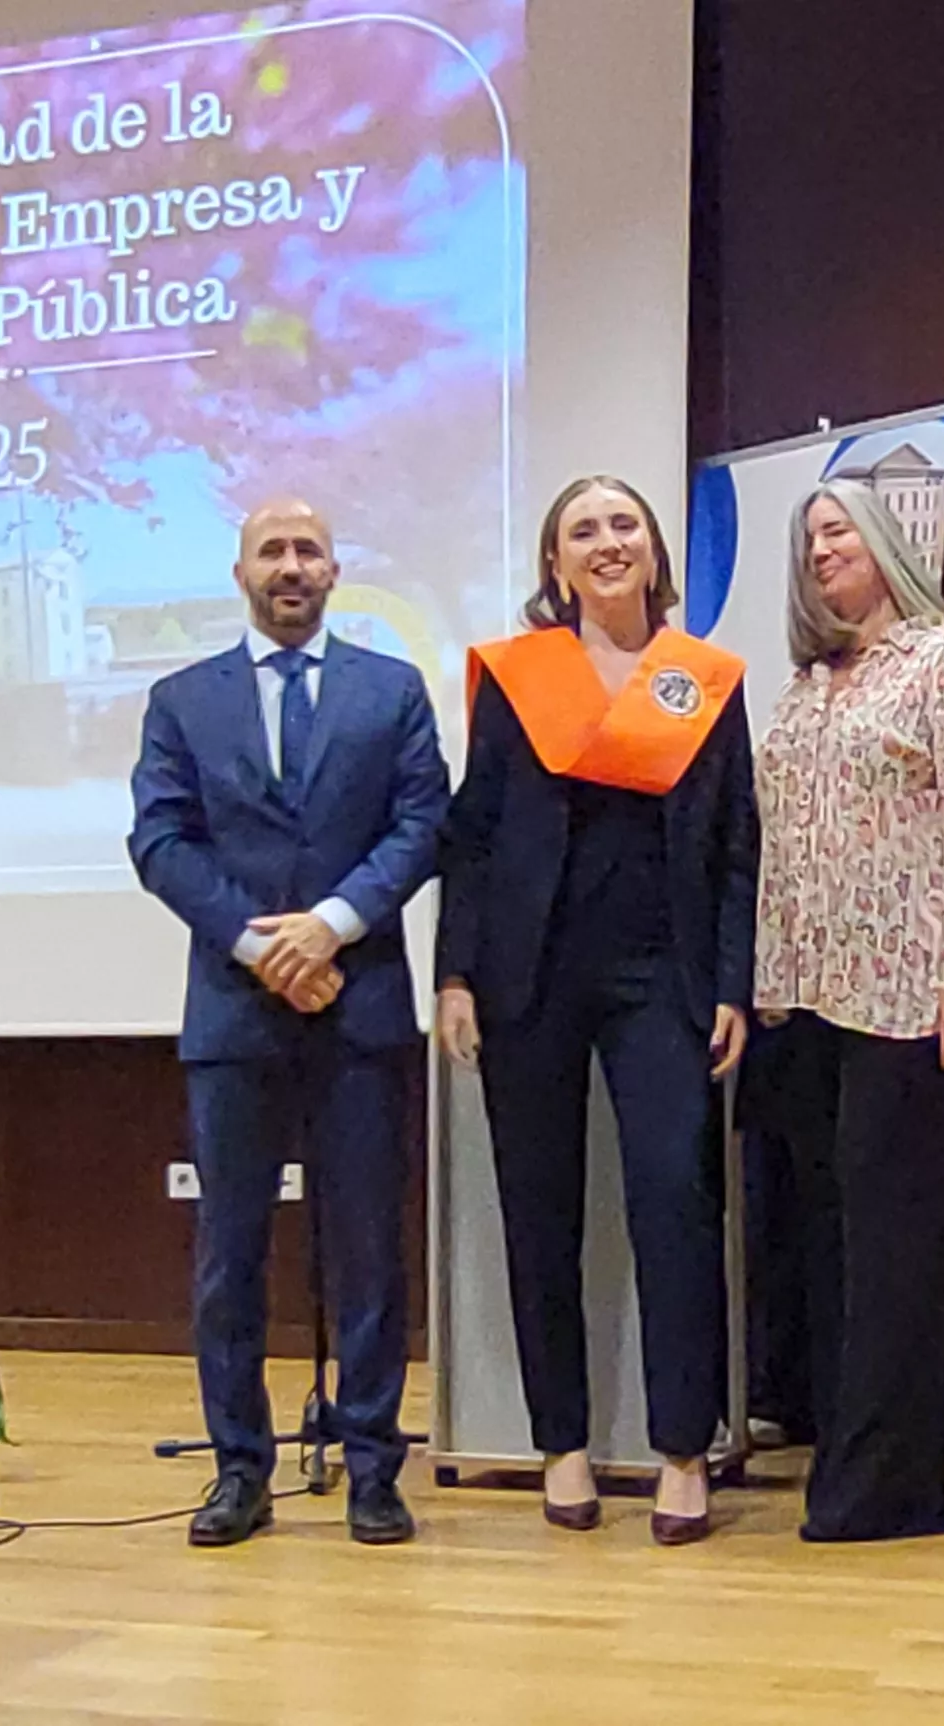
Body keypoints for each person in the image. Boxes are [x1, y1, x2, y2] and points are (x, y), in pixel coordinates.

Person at [437, 474, 757, 1545]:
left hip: (659, 983)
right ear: (555, 565)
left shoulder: (701, 682)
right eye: (583, 530)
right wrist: (453, 974)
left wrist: (728, 983)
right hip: (528, 978)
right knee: (539, 1210)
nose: (606, 541)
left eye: (624, 524)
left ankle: (679, 1450)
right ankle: (560, 1442)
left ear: (654, 554)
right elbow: (471, 837)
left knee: (673, 1200)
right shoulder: (516, 678)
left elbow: (734, 848)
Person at [129, 498, 450, 1548]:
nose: (291, 566)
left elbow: (418, 824)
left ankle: (371, 1465)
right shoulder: (180, 700)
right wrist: (258, 944)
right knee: (230, 1252)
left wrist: (328, 925)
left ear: (334, 570)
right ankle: (237, 1468)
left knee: (368, 1247)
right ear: (239, 572)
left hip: (357, 1007)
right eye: (272, 550)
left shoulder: (389, 690)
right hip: (233, 1009)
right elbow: (160, 840)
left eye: (307, 550)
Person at [753, 478, 944, 1542]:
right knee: (829, 1248)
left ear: (885, 546)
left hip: (915, 997)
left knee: (896, 1250)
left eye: (839, 531)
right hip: (808, 1002)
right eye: (807, 538)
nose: (821, 551)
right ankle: (843, 1463)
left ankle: (890, 1486)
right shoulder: (803, 685)